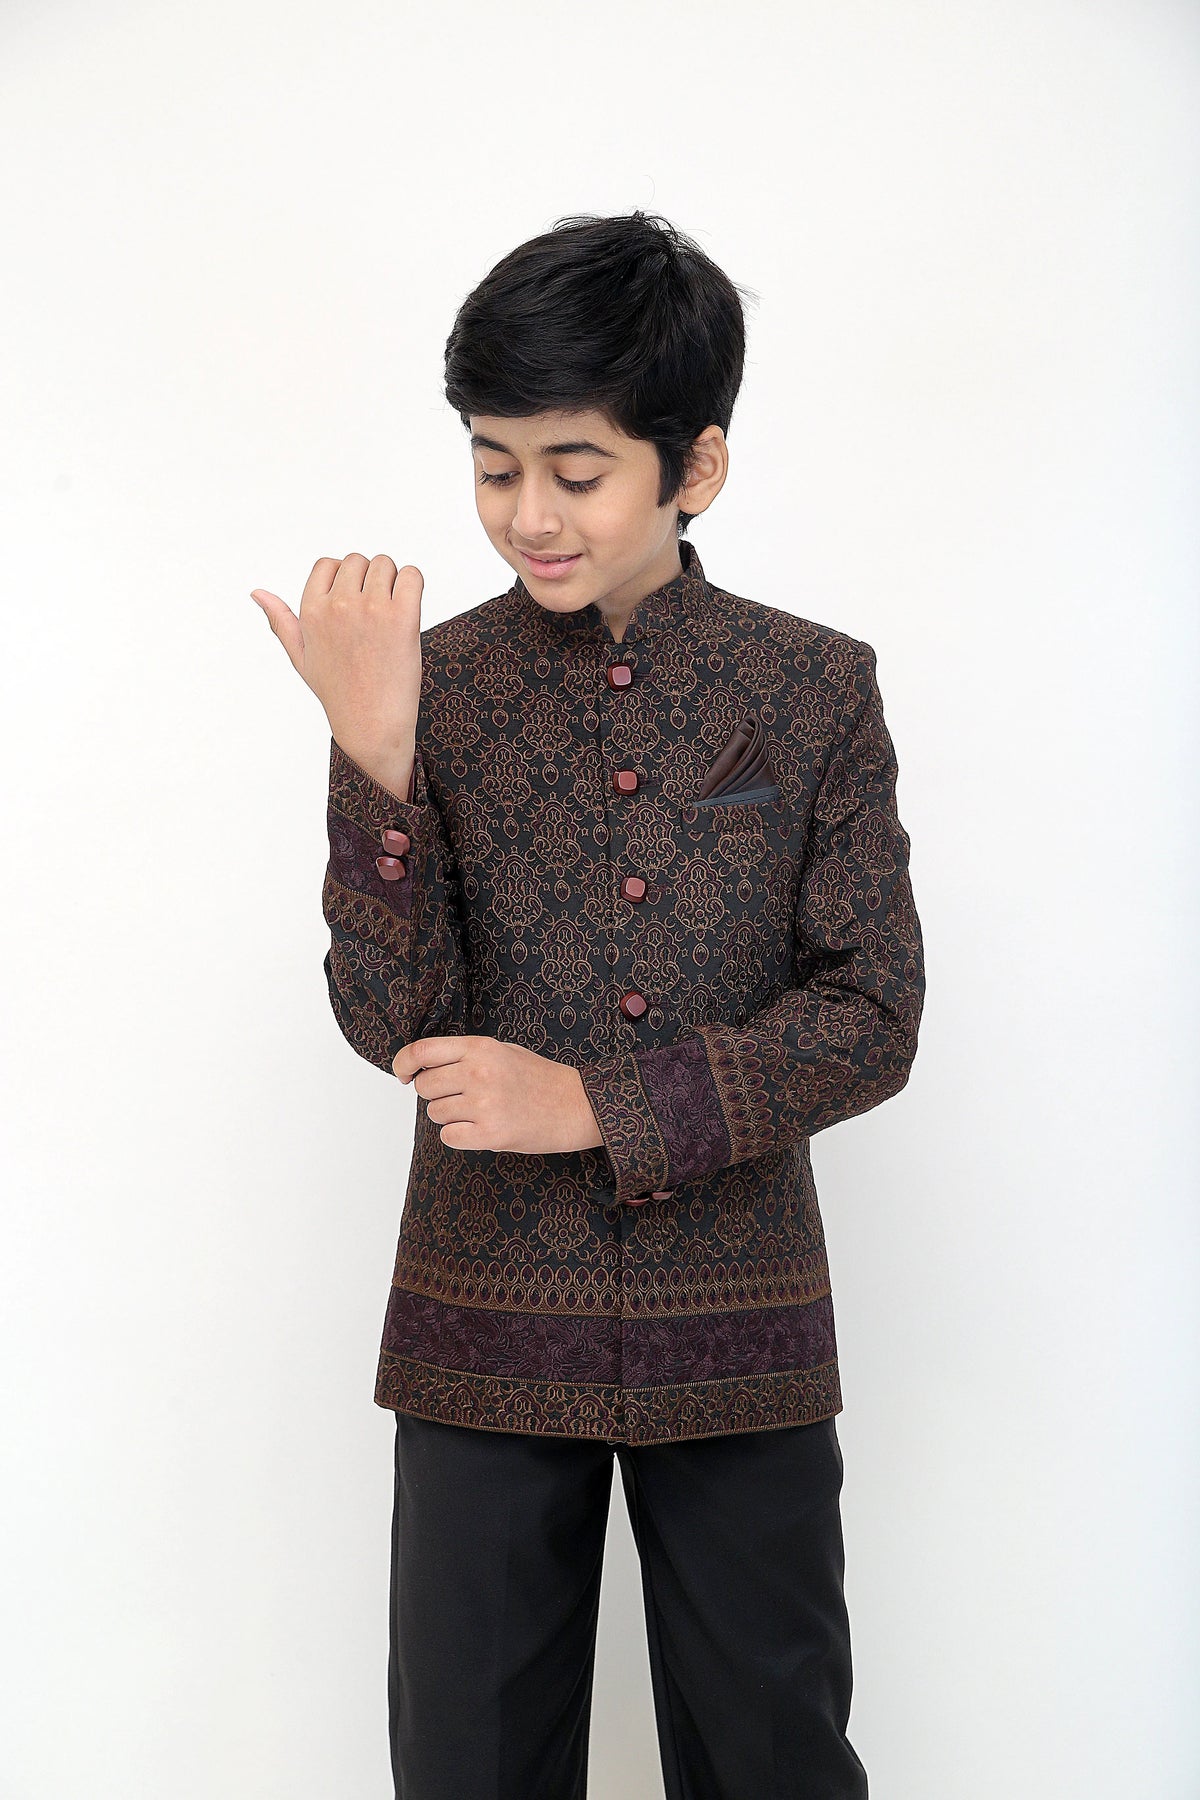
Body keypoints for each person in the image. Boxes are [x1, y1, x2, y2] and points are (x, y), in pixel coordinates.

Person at [250, 210, 925, 1800]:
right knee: (468, 1766)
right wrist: (374, 752)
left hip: (741, 1322)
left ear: (698, 467)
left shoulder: (811, 687)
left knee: (773, 1759)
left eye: (576, 470)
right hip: (482, 1317)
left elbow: (871, 1013)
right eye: (495, 468)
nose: (528, 515)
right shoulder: (431, 684)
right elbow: (390, 1015)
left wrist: (595, 1105)